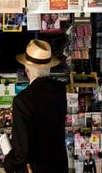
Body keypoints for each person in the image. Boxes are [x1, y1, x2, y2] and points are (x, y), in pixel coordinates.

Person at [4, 39, 68, 173]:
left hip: (38, 168)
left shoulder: (22, 100)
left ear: (27, 69)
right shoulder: (60, 90)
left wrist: (9, 163)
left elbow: (22, 152)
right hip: (59, 165)